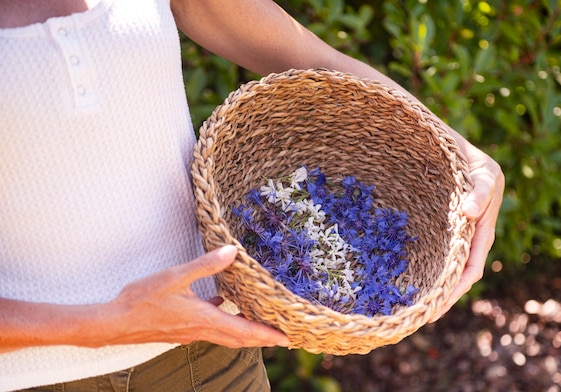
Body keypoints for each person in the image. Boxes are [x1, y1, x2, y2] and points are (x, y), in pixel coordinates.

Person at [0, 0, 504, 390]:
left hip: (207, 355)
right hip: (32, 377)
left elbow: (309, 57)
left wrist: (463, 157)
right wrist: (102, 324)